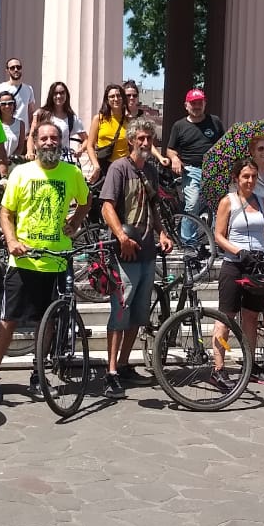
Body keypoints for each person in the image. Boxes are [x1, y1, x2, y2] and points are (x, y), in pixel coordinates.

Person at [0, 121, 90, 404]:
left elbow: (86, 201)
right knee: (8, 320)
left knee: (47, 321)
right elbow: (6, 213)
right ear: (36, 143)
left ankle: (38, 374)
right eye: (44, 138)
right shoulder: (22, 172)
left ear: (60, 142)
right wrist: (12, 241)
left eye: (54, 138)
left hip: (57, 260)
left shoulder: (72, 173)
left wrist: (75, 221)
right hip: (24, 261)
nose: (50, 142)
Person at [100, 120, 173, 397]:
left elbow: (154, 206)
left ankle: (123, 364)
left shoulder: (151, 171)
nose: (145, 143)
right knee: (120, 311)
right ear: (131, 140)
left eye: (149, 138)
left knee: (138, 313)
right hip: (124, 252)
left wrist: (162, 232)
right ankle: (110, 372)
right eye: (141, 138)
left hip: (147, 250)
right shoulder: (119, 168)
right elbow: (107, 207)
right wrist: (121, 236)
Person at [212, 159, 264, 393]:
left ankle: (249, 365)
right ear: (236, 178)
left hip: (257, 266)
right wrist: (239, 251)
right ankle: (218, 368)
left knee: (251, 317)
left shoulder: (263, 202)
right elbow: (219, 235)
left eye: (253, 176)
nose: (250, 181)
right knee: (226, 317)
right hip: (234, 264)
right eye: (245, 176)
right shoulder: (228, 201)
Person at [165, 88, 223, 228]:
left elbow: (224, 144)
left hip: (214, 169)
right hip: (191, 170)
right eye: (193, 103)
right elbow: (169, 149)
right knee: (192, 204)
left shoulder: (215, 121)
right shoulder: (179, 125)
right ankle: (187, 240)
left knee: (218, 207)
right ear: (186, 105)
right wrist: (175, 158)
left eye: (199, 103)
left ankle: (215, 237)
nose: (197, 106)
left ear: (205, 104)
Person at [31, 80, 92, 169]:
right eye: (55, 93)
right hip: (43, 160)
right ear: (51, 95)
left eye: (62, 93)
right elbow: (32, 136)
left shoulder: (72, 118)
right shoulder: (41, 114)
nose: (59, 96)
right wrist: (30, 151)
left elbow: (86, 139)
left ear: (66, 95)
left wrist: (81, 150)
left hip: (64, 161)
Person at [83, 82, 130, 185]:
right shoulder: (99, 119)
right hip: (104, 168)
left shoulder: (129, 121)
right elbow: (90, 146)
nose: (116, 99)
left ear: (123, 98)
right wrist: (96, 165)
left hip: (123, 167)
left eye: (118, 96)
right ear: (107, 100)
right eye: (112, 96)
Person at [123, 80, 169, 167]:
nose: (132, 98)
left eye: (134, 95)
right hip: (120, 161)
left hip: (139, 160)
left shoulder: (142, 116)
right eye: (128, 95)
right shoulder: (118, 116)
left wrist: (160, 158)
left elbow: (148, 142)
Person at [0, 58, 36, 128]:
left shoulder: (28, 89)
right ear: (7, 71)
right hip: (4, 131)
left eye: (18, 67)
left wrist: (31, 131)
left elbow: (31, 112)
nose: (16, 70)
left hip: (23, 131)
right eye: (12, 68)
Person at [0, 90, 28, 160]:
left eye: (10, 103)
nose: (7, 106)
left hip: (12, 162)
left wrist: (10, 160)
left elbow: (20, 147)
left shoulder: (20, 124)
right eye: (3, 104)